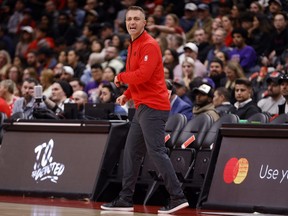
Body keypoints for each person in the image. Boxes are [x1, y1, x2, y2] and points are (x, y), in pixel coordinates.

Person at [100, 6, 189, 214]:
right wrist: (127, 94)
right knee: (131, 152)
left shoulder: (149, 44)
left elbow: (143, 75)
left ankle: (178, 197)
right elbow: (138, 78)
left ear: (144, 23)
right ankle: (125, 199)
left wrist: (120, 77)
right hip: (142, 106)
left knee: (156, 151)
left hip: (154, 107)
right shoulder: (133, 45)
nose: (132, 22)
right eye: (129, 19)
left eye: (136, 19)